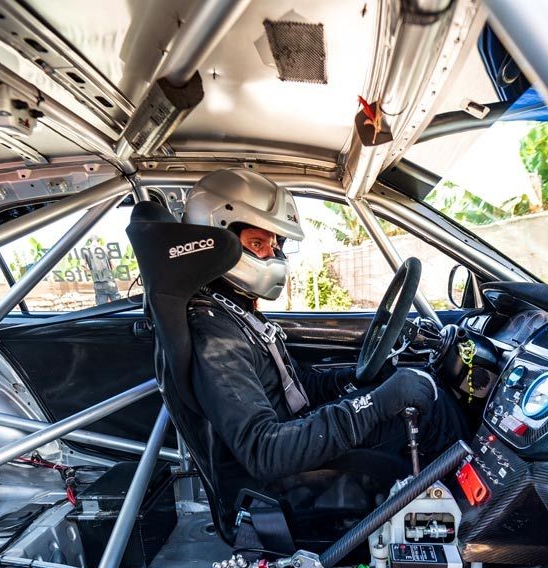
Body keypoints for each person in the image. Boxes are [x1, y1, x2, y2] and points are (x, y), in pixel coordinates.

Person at [183, 168, 469, 500]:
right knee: (432, 410)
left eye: (275, 245)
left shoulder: (236, 311)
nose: (273, 256)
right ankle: (476, 516)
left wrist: (356, 381)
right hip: (284, 479)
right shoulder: (215, 335)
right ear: (216, 241)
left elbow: (297, 387)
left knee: (418, 394)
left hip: (297, 438)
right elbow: (264, 452)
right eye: (257, 244)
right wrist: (375, 404)